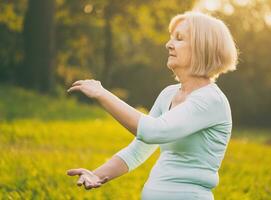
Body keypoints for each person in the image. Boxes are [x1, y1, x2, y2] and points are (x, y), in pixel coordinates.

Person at [66, 11, 238, 200]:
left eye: (179, 39)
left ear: (203, 48)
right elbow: (138, 149)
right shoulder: (169, 94)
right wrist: (96, 174)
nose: (168, 44)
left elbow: (153, 131)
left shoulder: (211, 100)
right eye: (171, 38)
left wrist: (102, 94)